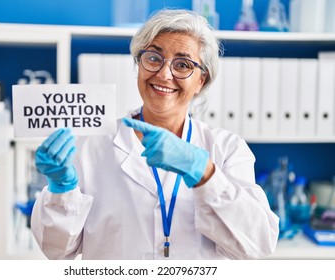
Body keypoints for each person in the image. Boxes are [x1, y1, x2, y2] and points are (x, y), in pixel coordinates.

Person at [31, 8, 279, 260]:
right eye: (153, 58)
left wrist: (205, 173)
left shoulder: (227, 149)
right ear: (139, 64)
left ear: (201, 80)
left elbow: (257, 245)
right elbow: (56, 250)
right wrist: (62, 189)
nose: (163, 74)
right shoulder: (90, 145)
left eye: (183, 64)